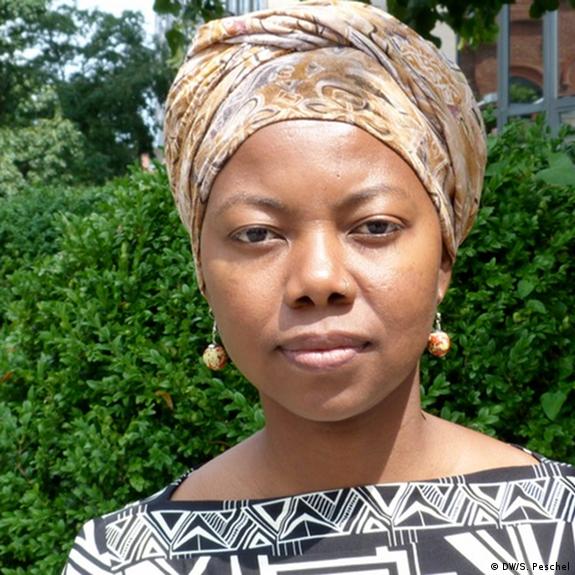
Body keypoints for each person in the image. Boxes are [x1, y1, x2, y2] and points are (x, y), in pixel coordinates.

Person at [62, 1, 575, 573]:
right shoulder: (129, 559)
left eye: (375, 227)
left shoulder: (562, 529)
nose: (319, 279)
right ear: (202, 272)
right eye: (257, 233)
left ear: (443, 262)